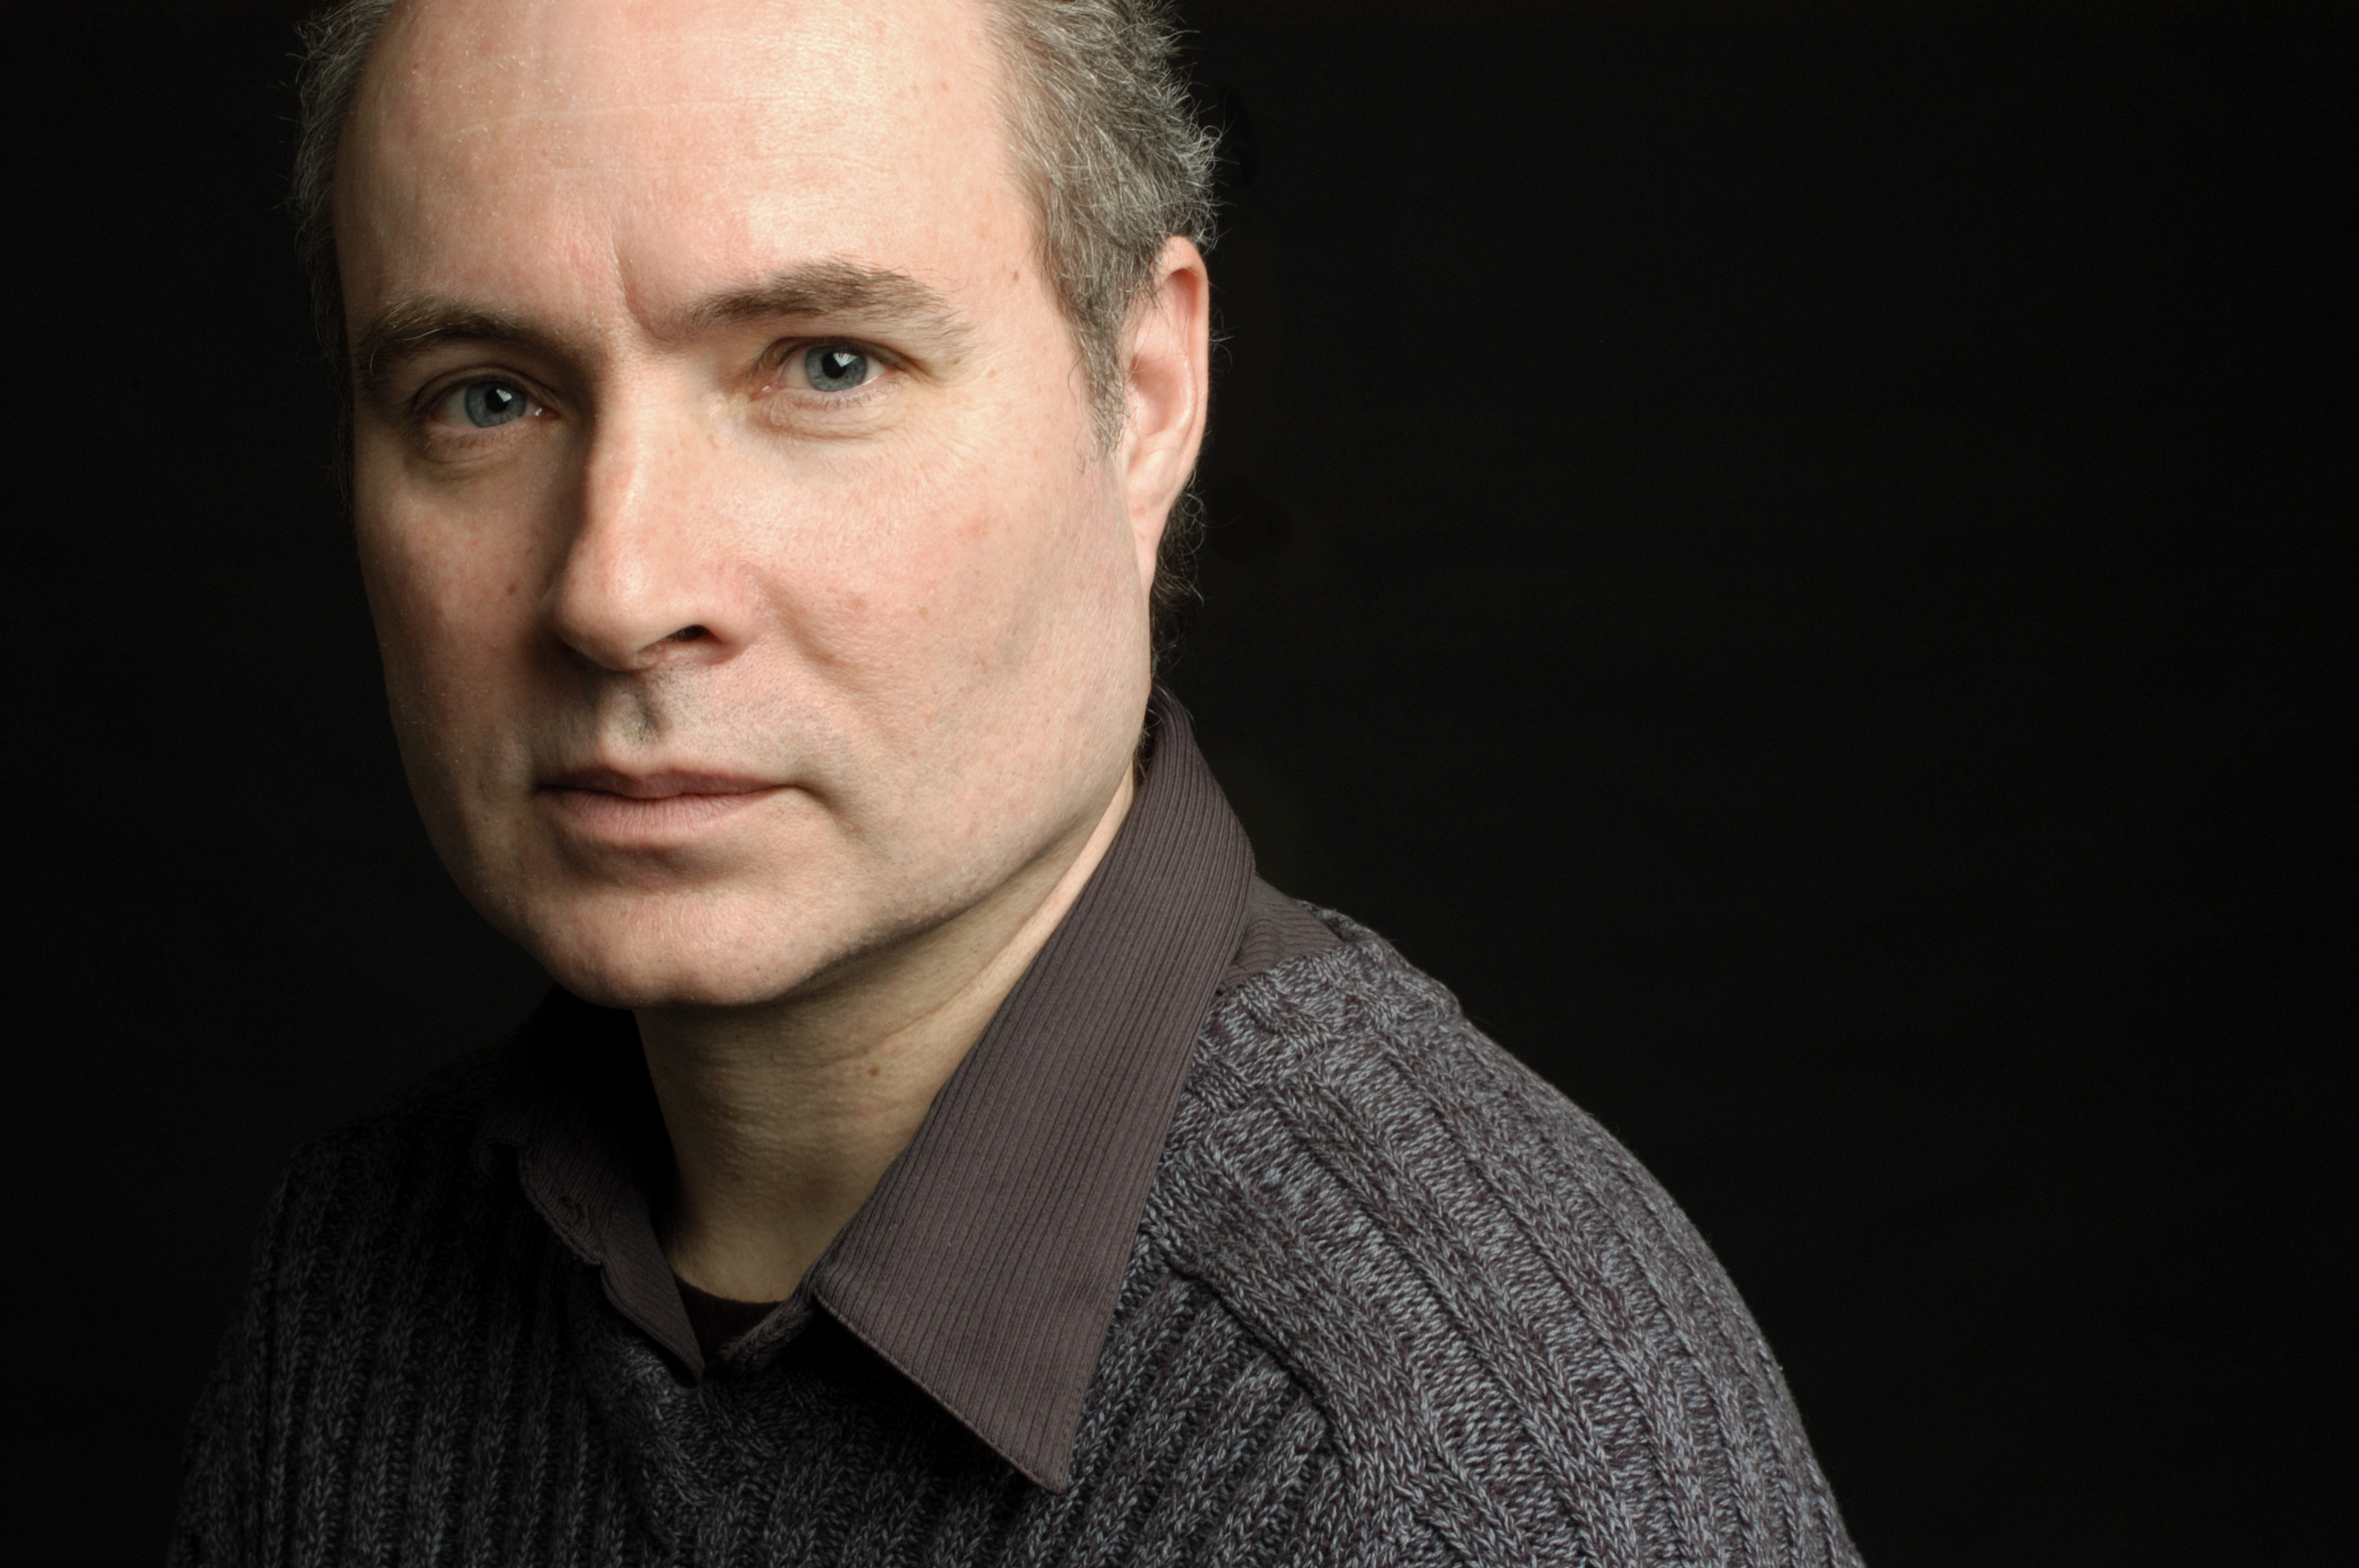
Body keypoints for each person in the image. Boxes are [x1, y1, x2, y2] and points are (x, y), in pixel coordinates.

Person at [172, 0, 1863, 1562]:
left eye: (825, 363)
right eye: (485, 397)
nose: (615, 588)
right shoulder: (359, 1274)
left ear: (1141, 400)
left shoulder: (1467, 1471)